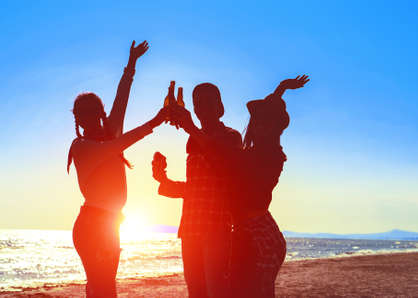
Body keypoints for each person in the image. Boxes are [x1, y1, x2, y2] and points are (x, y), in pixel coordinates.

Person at [170, 75, 309, 297]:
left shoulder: (266, 155)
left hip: (257, 235)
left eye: (267, 123)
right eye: (257, 121)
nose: (259, 125)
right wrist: (281, 89)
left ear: (277, 128)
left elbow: (221, 156)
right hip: (248, 232)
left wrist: (190, 127)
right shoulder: (254, 151)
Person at [67, 40, 168, 298]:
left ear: (100, 112)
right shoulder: (82, 147)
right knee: (104, 289)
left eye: (92, 112)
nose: (87, 118)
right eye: (82, 114)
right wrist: (155, 121)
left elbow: (122, 97)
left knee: (100, 288)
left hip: (109, 224)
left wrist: (132, 63)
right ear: (77, 119)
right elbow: (120, 144)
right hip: (92, 225)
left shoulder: (110, 132)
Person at [152, 82, 242, 298]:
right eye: (197, 103)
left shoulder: (231, 137)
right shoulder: (193, 139)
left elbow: (225, 170)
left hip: (217, 227)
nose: (201, 108)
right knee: (196, 293)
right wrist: (162, 179)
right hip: (191, 227)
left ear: (219, 106)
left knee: (216, 291)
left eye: (207, 102)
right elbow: (195, 188)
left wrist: (190, 127)